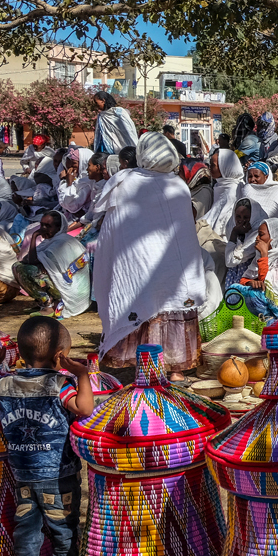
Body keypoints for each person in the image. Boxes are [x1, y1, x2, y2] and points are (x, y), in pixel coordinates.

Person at [0, 320, 95, 556]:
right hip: (59, 474)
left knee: (26, 527)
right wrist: (83, 375)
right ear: (60, 355)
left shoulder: (4, 384)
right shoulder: (60, 384)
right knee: (63, 526)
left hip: (23, 474)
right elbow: (85, 408)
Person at [92, 132, 208, 380]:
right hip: (174, 265)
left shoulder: (127, 183)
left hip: (139, 262)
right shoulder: (178, 185)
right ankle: (174, 368)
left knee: (145, 302)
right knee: (169, 304)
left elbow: (113, 228)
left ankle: (144, 364)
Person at [13, 211, 91, 318]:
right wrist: (34, 238)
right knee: (18, 266)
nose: (43, 229)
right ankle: (45, 303)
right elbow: (27, 259)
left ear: (58, 228)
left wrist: (35, 236)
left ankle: (50, 306)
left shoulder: (62, 242)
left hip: (72, 291)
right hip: (63, 285)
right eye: (42, 225)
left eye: (48, 226)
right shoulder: (50, 241)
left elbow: (31, 261)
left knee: (29, 271)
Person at [202, 148, 246, 236]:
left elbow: (222, 221)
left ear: (224, 167)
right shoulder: (220, 186)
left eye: (213, 165)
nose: (209, 168)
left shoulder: (233, 190)